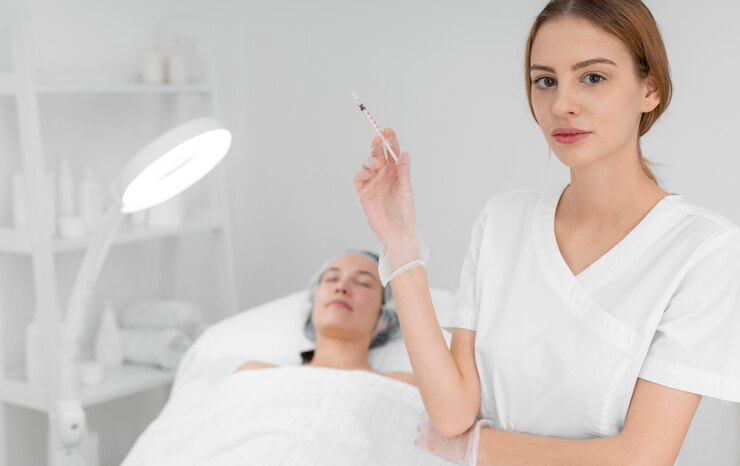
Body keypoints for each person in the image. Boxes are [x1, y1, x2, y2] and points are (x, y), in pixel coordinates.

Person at [352, 0, 740, 464]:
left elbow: (644, 457)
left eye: (593, 77)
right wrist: (400, 244)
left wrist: (477, 447)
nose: (561, 104)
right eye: (545, 81)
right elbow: (453, 413)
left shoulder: (703, 250)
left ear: (650, 89)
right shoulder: (503, 220)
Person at [236, 250, 415, 386]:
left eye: (363, 283)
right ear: (313, 302)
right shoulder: (254, 375)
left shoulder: (405, 387)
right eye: (331, 279)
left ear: (384, 317)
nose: (341, 287)